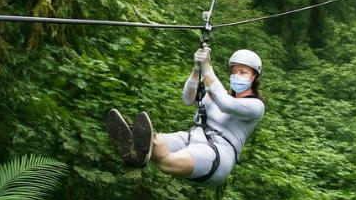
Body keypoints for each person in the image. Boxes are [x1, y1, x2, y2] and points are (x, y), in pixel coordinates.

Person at [105, 47, 265, 187]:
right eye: (234, 71)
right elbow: (188, 99)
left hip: (218, 154)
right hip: (192, 137)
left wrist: (208, 68)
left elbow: (227, 105)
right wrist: (197, 70)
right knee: (155, 141)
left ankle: (142, 156)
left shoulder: (256, 106)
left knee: (167, 160)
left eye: (243, 72)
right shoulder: (217, 93)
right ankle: (135, 152)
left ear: (254, 77)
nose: (237, 75)